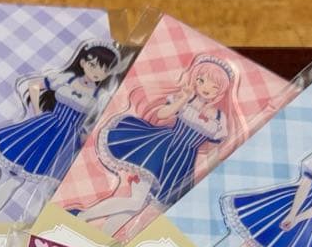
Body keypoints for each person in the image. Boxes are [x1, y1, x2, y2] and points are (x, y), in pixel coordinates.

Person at [77, 55, 240, 237]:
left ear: (221, 90)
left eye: (214, 85)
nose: (205, 87)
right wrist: (183, 99)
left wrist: (213, 177)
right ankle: (84, 216)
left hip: (182, 162)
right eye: (201, 80)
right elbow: (163, 114)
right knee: (136, 202)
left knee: (139, 205)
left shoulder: (220, 118)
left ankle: (104, 235)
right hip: (161, 149)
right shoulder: (186, 99)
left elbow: (214, 150)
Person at [0, 41, 120, 222]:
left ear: (109, 73)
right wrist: (37, 111)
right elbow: (35, 85)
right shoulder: (66, 79)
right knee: (14, 177)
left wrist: (85, 136)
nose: (97, 72)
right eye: (93, 65)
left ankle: (25, 226)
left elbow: (98, 121)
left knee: (46, 190)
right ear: (83, 62)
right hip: (44, 128)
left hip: (66, 141)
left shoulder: (100, 96)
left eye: (104, 69)